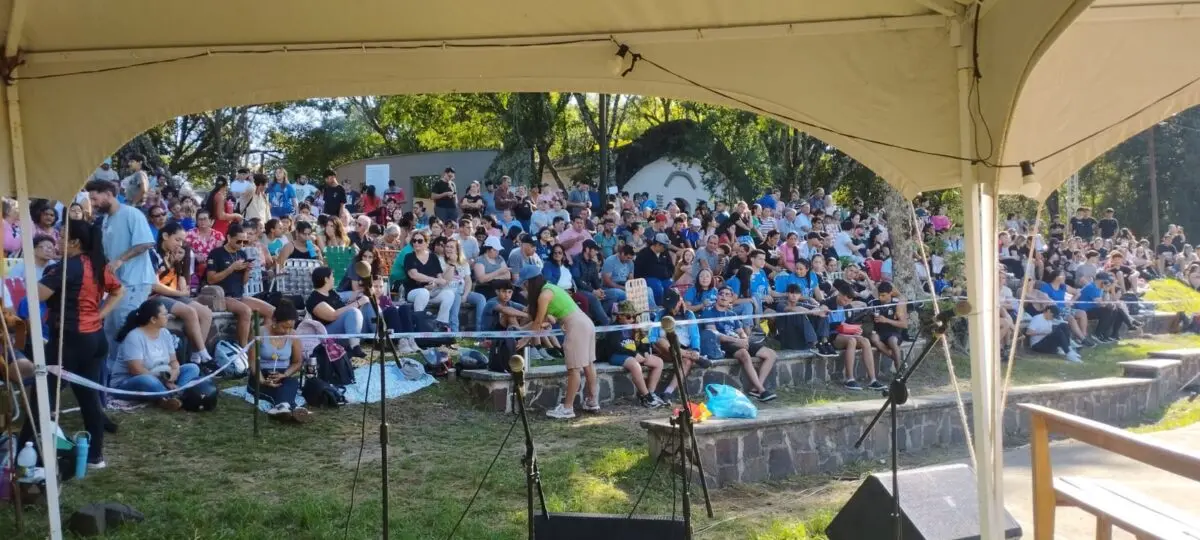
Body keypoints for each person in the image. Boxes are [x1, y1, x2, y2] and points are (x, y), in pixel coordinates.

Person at [21, 219, 124, 469]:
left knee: (41, 395)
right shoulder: (97, 264)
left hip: (71, 340)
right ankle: (95, 456)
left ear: (75, 242)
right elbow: (118, 290)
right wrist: (100, 314)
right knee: (88, 396)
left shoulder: (66, 267)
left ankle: (26, 453)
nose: (57, 240)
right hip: (94, 339)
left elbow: (37, 295)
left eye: (62, 236)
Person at [86, 179, 159, 379]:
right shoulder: (106, 220)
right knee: (110, 328)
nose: (93, 203)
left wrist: (120, 260)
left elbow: (145, 243)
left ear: (109, 194)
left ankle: (131, 373)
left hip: (135, 282)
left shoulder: (131, 214)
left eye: (95, 198)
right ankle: (112, 375)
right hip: (116, 285)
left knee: (124, 327)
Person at [526, 267, 598, 419]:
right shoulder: (552, 288)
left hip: (576, 326)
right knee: (588, 364)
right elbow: (548, 319)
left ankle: (567, 408)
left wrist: (524, 339)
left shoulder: (544, 295)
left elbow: (538, 322)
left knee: (574, 369)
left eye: (524, 285)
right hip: (586, 323)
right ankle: (592, 401)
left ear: (530, 283)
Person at [110, 299, 203, 409]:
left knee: (192, 368)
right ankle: (173, 395)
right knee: (147, 380)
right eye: (164, 314)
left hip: (162, 377)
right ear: (153, 319)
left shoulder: (165, 333)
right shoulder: (134, 337)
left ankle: (170, 396)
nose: (168, 316)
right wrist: (165, 381)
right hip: (129, 382)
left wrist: (175, 372)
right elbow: (136, 370)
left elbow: (173, 360)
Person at [150, 222, 213, 364]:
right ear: (165, 236)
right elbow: (154, 286)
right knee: (190, 312)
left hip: (171, 294)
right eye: (177, 240)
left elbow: (182, 279)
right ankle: (204, 354)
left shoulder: (175, 254)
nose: (180, 244)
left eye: (182, 241)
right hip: (154, 296)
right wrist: (179, 293)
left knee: (206, 313)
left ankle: (195, 357)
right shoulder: (153, 254)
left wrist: (181, 292)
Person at [702, 286, 778, 402]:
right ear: (717, 296)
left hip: (738, 341)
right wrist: (737, 341)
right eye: (721, 294)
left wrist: (744, 339)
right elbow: (715, 335)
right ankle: (762, 390)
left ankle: (755, 388)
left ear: (731, 298)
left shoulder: (732, 314)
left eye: (728, 294)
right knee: (744, 354)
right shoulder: (709, 312)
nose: (724, 296)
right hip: (723, 344)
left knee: (771, 354)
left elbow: (740, 331)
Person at [205, 223, 276, 347]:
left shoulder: (242, 254)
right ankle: (243, 348)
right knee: (246, 312)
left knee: (271, 311)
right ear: (229, 238)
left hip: (239, 295)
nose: (242, 245)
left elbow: (243, 282)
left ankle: (260, 346)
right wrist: (231, 268)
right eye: (239, 241)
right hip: (222, 296)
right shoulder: (216, 254)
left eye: (245, 242)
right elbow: (211, 279)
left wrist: (247, 270)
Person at [248, 300, 313, 422]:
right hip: (260, 374)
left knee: (291, 382)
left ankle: (282, 408)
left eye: (291, 327)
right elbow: (252, 361)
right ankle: (292, 408)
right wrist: (262, 380)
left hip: (282, 374)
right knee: (277, 388)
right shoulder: (260, 332)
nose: (287, 331)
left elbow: (297, 362)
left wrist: (285, 374)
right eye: (284, 327)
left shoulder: (293, 336)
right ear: (274, 321)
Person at [599, 302, 666, 408]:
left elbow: (643, 342)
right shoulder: (613, 329)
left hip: (633, 354)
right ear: (619, 316)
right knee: (635, 365)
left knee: (658, 362)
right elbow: (615, 347)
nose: (632, 320)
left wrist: (645, 352)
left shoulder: (635, 328)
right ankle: (646, 397)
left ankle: (651, 393)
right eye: (629, 317)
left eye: (634, 317)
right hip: (617, 355)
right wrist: (634, 354)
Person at [825, 280, 884, 391]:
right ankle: (850, 379)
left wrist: (856, 331)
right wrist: (842, 326)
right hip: (832, 336)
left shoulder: (848, 307)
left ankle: (873, 380)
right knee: (852, 340)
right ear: (839, 294)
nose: (844, 302)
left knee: (865, 341)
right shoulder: (828, 303)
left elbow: (850, 323)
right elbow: (826, 324)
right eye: (843, 299)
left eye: (848, 301)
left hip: (846, 334)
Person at [651, 289, 708, 403]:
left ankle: (668, 392)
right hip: (666, 349)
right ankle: (692, 356)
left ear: (679, 301)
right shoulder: (660, 314)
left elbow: (694, 335)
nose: (672, 309)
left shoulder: (689, 314)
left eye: (674, 305)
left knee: (687, 361)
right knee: (661, 341)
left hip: (683, 348)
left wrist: (696, 350)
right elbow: (652, 337)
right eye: (669, 306)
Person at [305, 266, 369, 358]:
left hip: (346, 331)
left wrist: (354, 300)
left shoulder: (331, 293)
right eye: (332, 276)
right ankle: (355, 347)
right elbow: (333, 315)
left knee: (368, 306)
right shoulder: (314, 299)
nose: (334, 279)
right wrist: (358, 303)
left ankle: (380, 340)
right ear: (326, 279)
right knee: (353, 312)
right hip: (328, 334)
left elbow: (342, 308)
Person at [403, 230, 458, 325]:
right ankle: (418, 323)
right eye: (414, 241)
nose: (416, 243)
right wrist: (434, 280)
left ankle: (441, 324)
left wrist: (435, 284)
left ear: (426, 243)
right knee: (423, 292)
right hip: (414, 292)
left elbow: (441, 278)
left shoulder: (433, 257)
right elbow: (414, 275)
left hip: (432, 292)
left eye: (419, 241)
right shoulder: (409, 257)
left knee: (449, 294)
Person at [867, 282, 908, 372]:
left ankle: (898, 370)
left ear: (890, 293)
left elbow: (904, 324)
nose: (881, 298)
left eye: (883, 295)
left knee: (892, 341)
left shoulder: (897, 304)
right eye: (879, 295)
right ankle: (900, 362)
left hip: (893, 332)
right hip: (879, 331)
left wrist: (886, 320)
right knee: (874, 338)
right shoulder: (874, 303)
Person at [635, 233, 674, 305]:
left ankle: (670, 308)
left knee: (672, 287)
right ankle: (658, 308)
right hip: (649, 278)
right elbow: (638, 269)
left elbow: (671, 267)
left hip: (664, 278)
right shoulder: (644, 253)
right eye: (664, 246)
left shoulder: (665, 253)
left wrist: (668, 274)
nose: (665, 248)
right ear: (658, 244)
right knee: (657, 288)